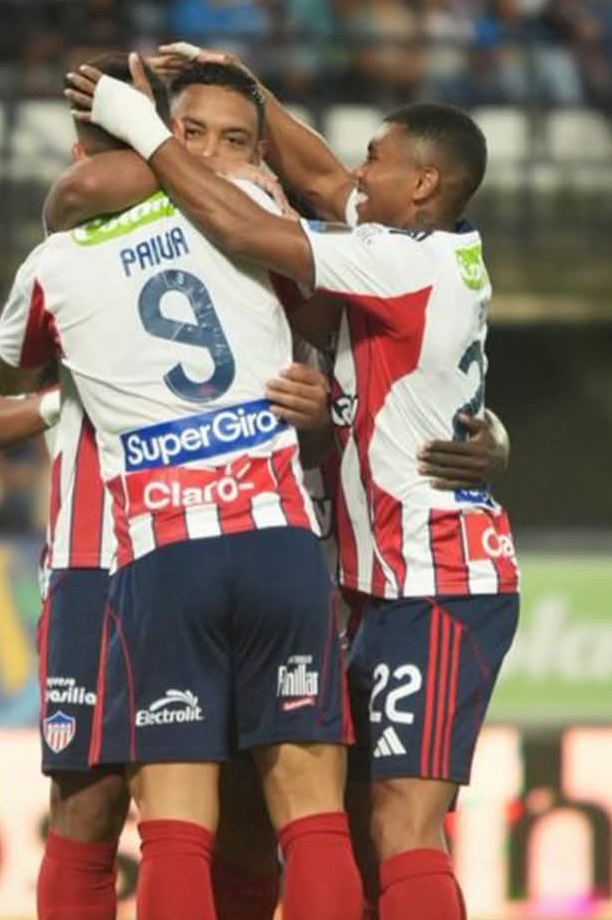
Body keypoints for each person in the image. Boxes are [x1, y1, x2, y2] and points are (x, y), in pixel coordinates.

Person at [67, 46, 521, 920]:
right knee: (322, 823)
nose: (351, 176)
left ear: (423, 187)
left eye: (376, 163)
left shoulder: (399, 260)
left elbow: (248, 229)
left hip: (430, 575)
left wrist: (143, 128)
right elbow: (313, 173)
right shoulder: (397, 242)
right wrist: (247, 82)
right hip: (345, 578)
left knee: (400, 822)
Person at [0, 53, 365, 920]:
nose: (217, 155)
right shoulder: (260, 215)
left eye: (239, 141)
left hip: (164, 552)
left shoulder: (56, 260)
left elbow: (9, 371)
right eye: (195, 135)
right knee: (307, 818)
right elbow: (327, 301)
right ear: (161, 134)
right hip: (271, 539)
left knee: (180, 827)